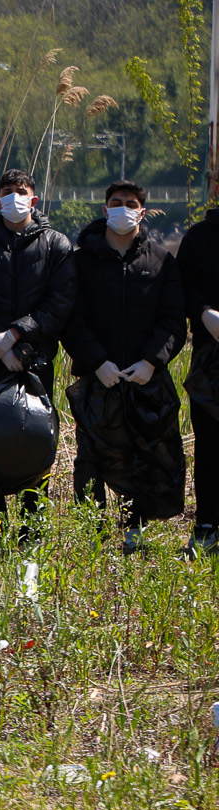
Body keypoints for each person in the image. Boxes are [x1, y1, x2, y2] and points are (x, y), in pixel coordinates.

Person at [63, 180, 187, 549]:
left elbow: (172, 320)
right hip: (97, 375)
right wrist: (95, 361)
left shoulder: (161, 261)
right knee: (91, 455)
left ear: (142, 212)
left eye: (131, 203)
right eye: (116, 203)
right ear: (105, 210)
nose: (123, 209)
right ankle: (92, 531)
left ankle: (135, 529)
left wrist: (152, 362)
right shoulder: (80, 260)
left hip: (143, 377)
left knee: (145, 453)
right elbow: (72, 319)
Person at [0, 168, 75, 537]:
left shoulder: (56, 244)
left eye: (21, 191)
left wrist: (16, 338)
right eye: (7, 192)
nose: (14, 198)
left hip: (35, 361)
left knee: (34, 439)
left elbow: (60, 303)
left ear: (34, 199)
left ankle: (32, 531)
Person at [175, 174, 219, 555]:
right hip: (210, 359)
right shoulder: (199, 238)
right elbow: (182, 287)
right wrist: (203, 312)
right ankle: (206, 525)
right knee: (209, 445)